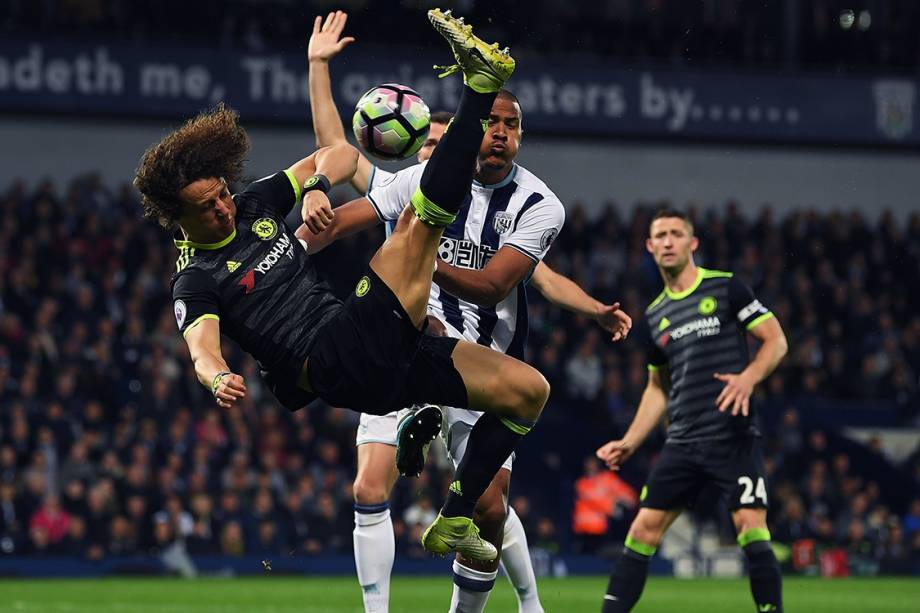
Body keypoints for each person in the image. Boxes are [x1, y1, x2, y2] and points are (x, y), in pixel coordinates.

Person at [134, 9, 541, 562]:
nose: (225, 208)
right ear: (178, 217)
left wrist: (319, 184)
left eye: (224, 195)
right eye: (208, 208)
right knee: (418, 227)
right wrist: (217, 376)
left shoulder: (254, 203)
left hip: (373, 355)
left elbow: (342, 152)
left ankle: (454, 515)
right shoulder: (195, 280)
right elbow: (201, 348)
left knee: (528, 392)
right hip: (326, 359)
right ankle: (478, 88)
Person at [303, 11, 632, 613]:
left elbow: (505, 283)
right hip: (408, 337)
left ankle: (521, 603)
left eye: (512, 125)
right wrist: (310, 213)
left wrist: (592, 309)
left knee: (486, 508)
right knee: (368, 483)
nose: (500, 133)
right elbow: (340, 175)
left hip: (484, 358)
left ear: (519, 136)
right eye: (492, 123)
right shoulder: (419, 181)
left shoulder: (538, 204)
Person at [595, 208, 789, 612]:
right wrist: (630, 441)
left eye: (675, 234)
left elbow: (775, 341)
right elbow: (657, 389)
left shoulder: (727, 288)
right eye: (659, 235)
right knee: (643, 529)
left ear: (692, 242)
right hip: (682, 441)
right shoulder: (653, 316)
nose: (667, 241)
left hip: (731, 435)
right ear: (649, 247)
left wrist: (748, 378)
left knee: (750, 527)